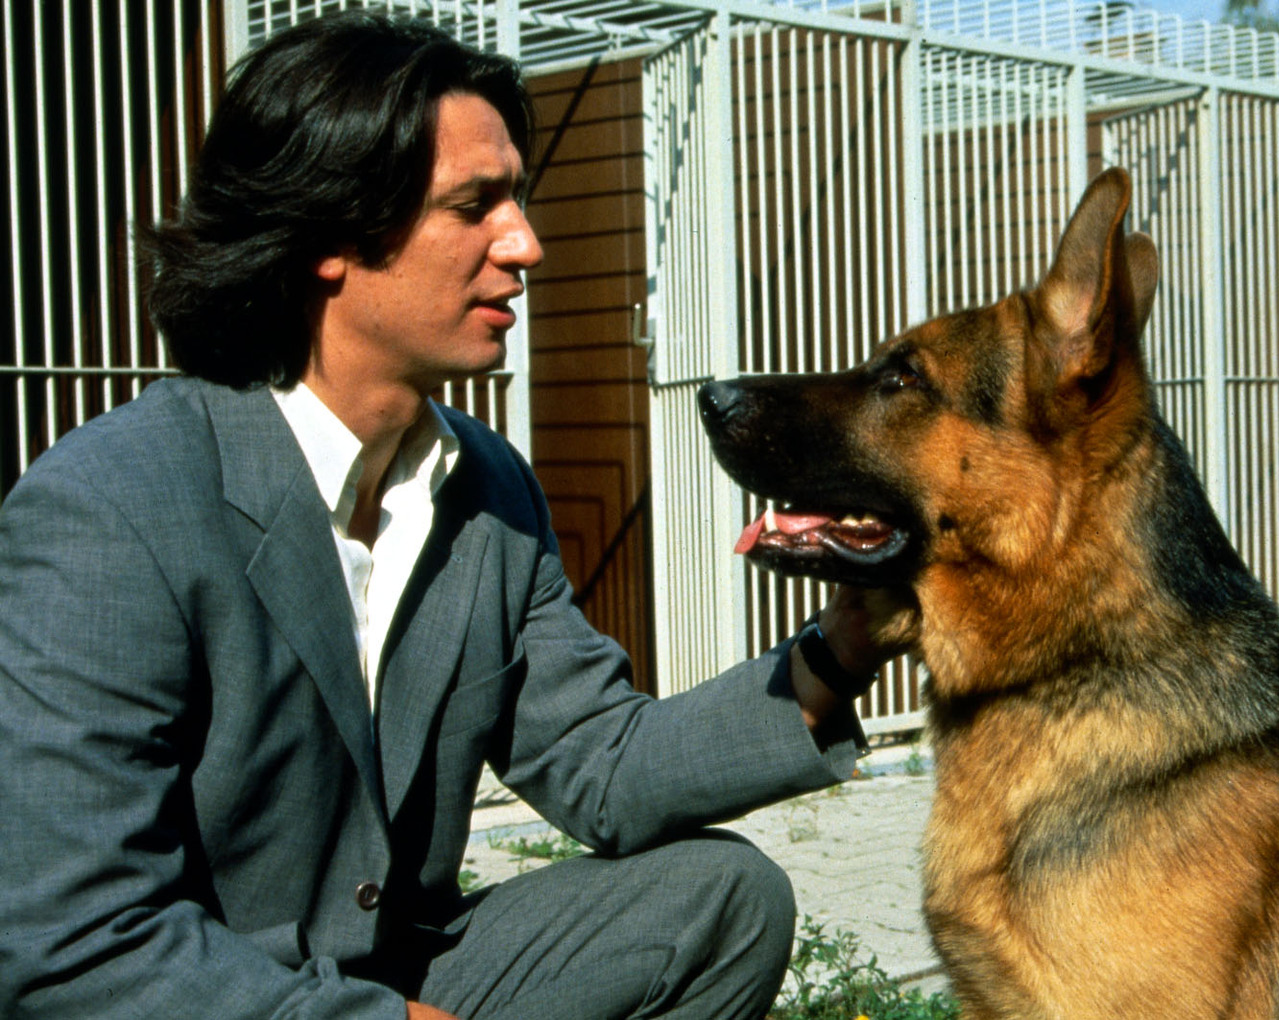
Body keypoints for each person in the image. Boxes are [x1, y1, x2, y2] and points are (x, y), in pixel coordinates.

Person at [0, 12, 907, 1019]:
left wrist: (840, 649)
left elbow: (603, 765)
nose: (526, 244)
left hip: (402, 969)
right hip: (204, 997)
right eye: (475, 205)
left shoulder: (488, 488)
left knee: (722, 901)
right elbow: (72, 943)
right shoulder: (109, 508)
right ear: (332, 235)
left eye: (516, 200)